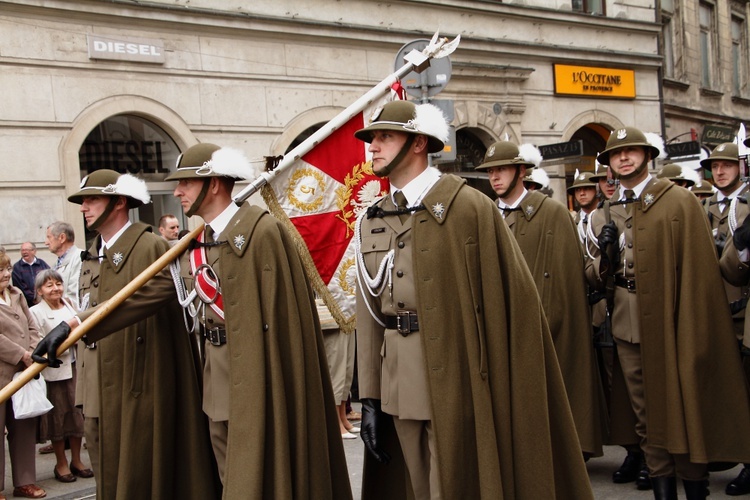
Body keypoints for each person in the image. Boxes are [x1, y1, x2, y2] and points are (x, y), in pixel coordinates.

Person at [34, 149, 352, 499]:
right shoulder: (195, 244)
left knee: (263, 478)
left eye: (186, 182)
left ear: (214, 184)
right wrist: (74, 324)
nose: (176, 192)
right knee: (229, 473)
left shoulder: (262, 232)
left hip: (263, 379)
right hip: (217, 381)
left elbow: (286, 321)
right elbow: (136, 297)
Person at [353, 100, 593, 499]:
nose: (372, 147)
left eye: (385, 136)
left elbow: (512, 302)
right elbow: (370, 315)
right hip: (398, 381)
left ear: (418, 143)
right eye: (372, 138)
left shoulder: (468, 208)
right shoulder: (374, 217)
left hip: (458, 377)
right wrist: (371, 397)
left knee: (458, 485)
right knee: (415, 485)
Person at [33, 169, 220, 499]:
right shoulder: (91, 256)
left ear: (119, 202)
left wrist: (76, 324)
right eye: (82, 200)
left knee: (143, 480)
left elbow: (151, 296)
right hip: (99, 390)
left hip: (141, 385)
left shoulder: (151, 246)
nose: (83, 207)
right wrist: (85, 393)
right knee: (110, 479)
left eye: (92, 199)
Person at [585, 126, 750, 499]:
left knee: (683, 407)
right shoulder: (609, 208)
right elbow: (596, 277)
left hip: (673, 323)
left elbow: (700, 272)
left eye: (631, 151)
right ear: (609, 164)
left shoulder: (678, 202)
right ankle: (661, 487)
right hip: (627, 325)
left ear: (647, 156)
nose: (623, 157)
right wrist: (605, 257)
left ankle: (694, 485)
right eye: (616, 153)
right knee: (646, 418)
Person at [475, 141, 604, 461]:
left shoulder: (552, 213)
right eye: (490, 171)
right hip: (499, 327)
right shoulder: (485, 214)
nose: (495, 177)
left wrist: (552, 320)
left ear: (521, 171)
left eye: (501, 169)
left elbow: (567, 283)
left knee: (551, 397)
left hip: (545, 325)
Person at [28, 270, 91, 483]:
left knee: (76, 416)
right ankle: (61, 462)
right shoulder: (35, 312)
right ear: (39, 291)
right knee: (58, 419)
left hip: (75, 367)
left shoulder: (71, 305)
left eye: (58, 283)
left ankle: (77, 460)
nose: (55, 288)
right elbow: (38, 341)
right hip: (54, 371)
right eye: (49, 285)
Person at [0, 249, 46, 499]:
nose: (6, 274)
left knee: (24, 427)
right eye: (0, 270)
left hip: (22, 374)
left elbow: (32, 326)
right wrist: (21, 354)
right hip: (2, 373)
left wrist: (33, 351)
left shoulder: (17, 294)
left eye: (7, 269)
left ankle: (24, 481)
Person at [317, 300, 358, 438]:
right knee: (336, 371)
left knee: (347, 370)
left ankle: (342, 417)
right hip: (329, 310)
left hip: (347, 308)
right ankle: (335, 423)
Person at [702, 143, 748, 257]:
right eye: (715, 166)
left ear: (742, 168)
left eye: (727, 165)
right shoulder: (701, 206)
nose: (719, 172)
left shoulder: (748, 202)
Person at [44, 221, 82, 307]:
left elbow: (76, 296)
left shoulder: (80, 258)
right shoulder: (57, 264)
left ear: (62, 238)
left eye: (49, 237)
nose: (46, 242)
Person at [12, 243, 49, 307]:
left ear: (34, 251)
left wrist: (42, 296)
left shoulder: (42, 264)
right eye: (22, 250)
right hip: (27, 303)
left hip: (44, 300)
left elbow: (49, 278)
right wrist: (33, 298)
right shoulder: (17, 267)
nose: (24, 252)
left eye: (26, 250)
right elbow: (19, 285)